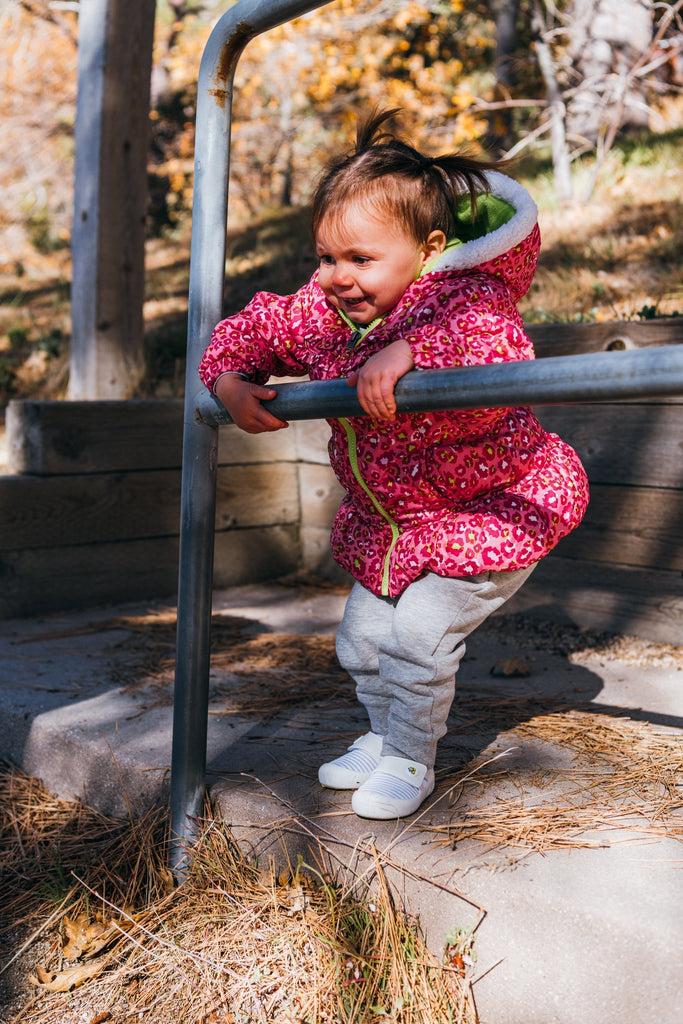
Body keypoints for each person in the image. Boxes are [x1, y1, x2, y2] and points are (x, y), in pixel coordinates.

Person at [199, 108, 589, 821]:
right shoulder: (327, 311)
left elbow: (493, 344)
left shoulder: (464, 296)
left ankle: (411, 756)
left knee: (417, 636)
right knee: (360, 640)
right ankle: (382, 737)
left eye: (360, 259)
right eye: (325, 257)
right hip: (396, 525)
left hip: (489, 510)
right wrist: (227, 376)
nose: (336, 278)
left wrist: (411, 351)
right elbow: (253, 328)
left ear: (427, 248)